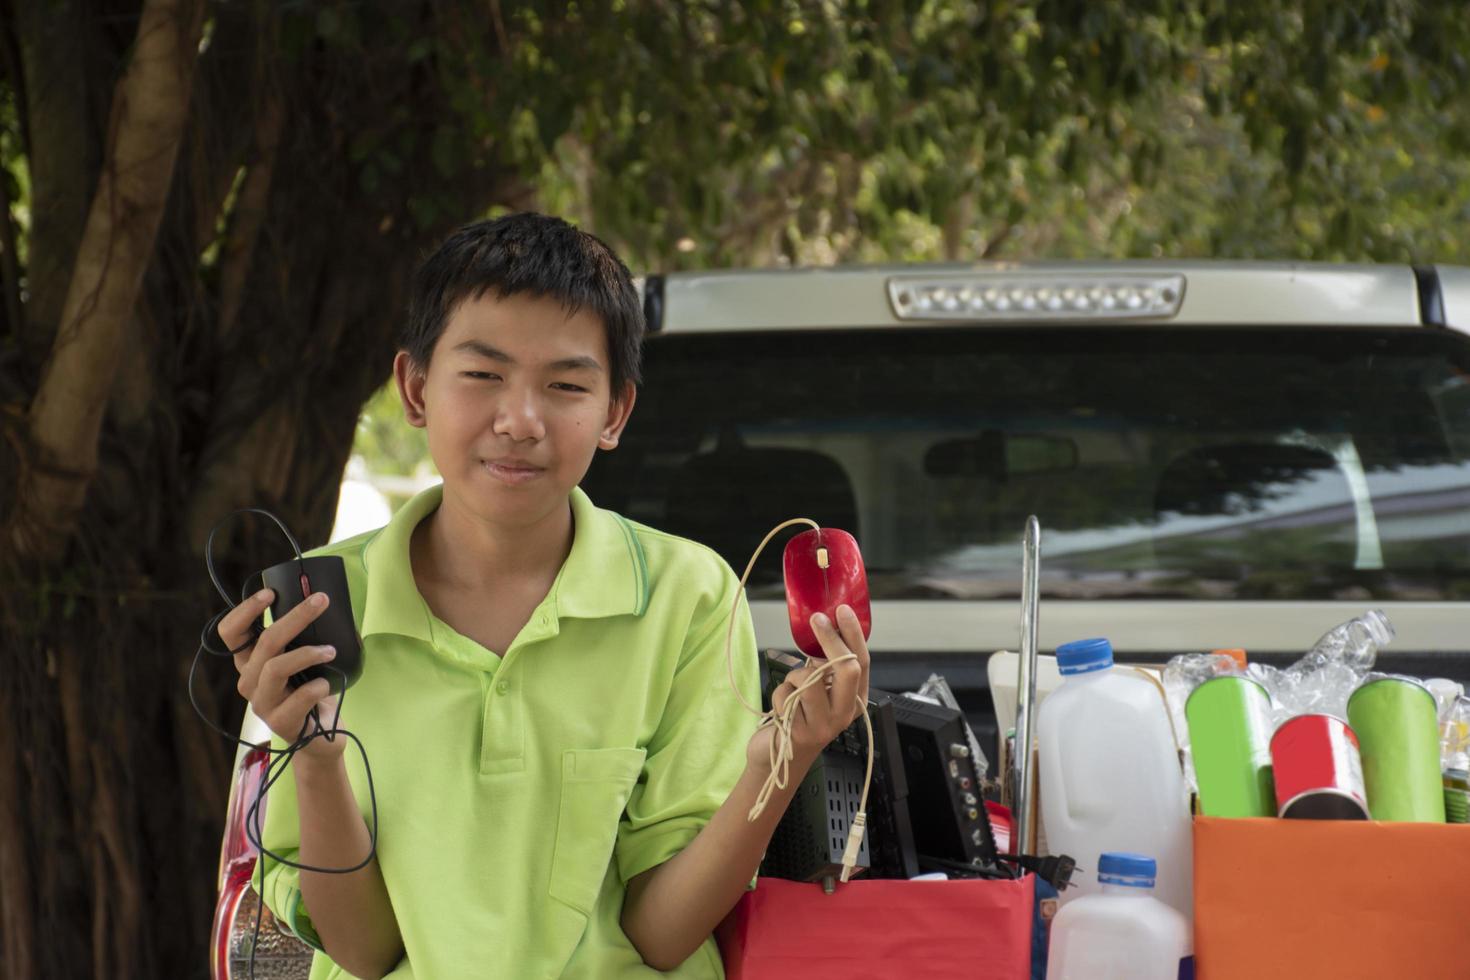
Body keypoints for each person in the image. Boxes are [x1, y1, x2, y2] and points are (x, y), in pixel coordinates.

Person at [215, 212, 871, 979]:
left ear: (614, 413)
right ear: (416, 388)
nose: (519, 421)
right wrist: (315, 753)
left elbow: (661, 937)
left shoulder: (687, 596)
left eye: (563, 385)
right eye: (484, 375)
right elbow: (362, 951)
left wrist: (779, 761)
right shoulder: (322, 606)